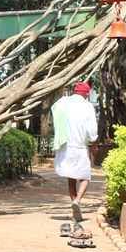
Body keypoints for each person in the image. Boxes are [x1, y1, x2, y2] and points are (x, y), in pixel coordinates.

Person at [51, 81, 98, 222]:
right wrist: (93, 139)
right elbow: (92, 130)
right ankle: (77, 200)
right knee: (85, 177)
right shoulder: (88, 106)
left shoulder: (63, 102)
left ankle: (74, 206)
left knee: (71, 178)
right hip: (79, 146)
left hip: (65, 145)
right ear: (86, 94)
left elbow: (55, 114)